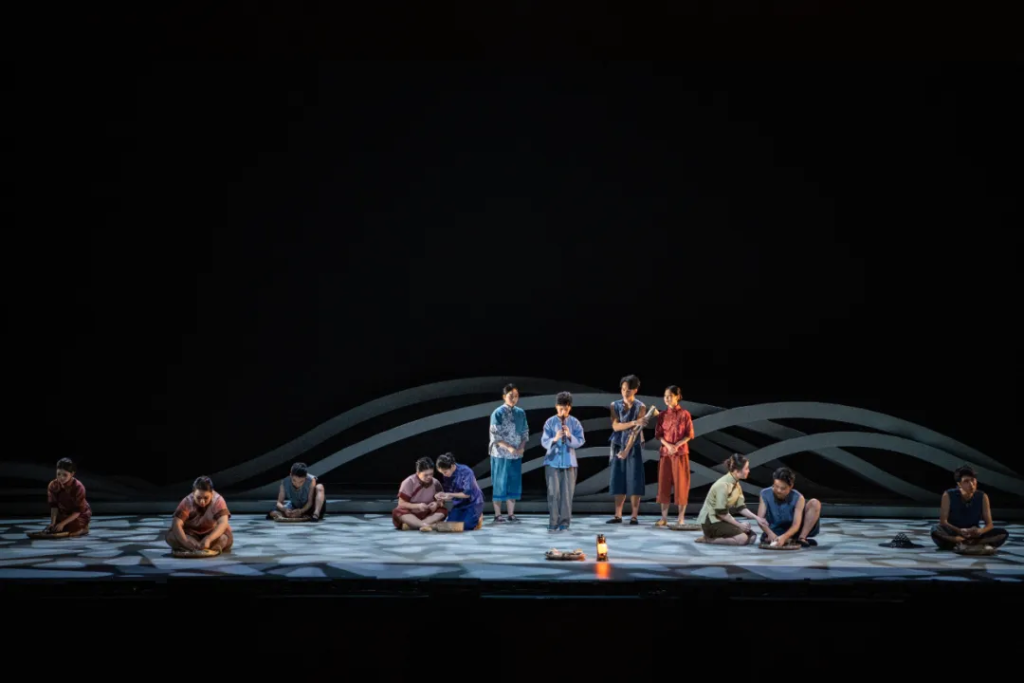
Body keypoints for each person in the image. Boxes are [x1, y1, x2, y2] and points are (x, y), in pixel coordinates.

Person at [930, 465, 1009, 551]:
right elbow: (943, 521)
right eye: (966, 481)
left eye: (973, 480)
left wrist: (980, 531)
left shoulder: (982, 496)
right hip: (954, 532)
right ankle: (962, 542)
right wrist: (959, 531)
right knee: (935, 530)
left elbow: (989, 525)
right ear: (959, 484)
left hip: (974, 534)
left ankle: (970, 543)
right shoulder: (948, 495)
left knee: (1003, 533)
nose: (971, 484)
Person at [695, 454, 769, 545]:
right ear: (737, 471)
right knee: (742, 539)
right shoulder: (723, 485)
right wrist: (739, 525)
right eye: (746, 468)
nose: (748, 471)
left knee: (752, 537)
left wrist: (757, 518)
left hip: (722, 520)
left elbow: (741, 507)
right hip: (711, 522)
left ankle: (724, 536)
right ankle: (707, 539)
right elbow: (721, 513)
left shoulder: (736, 484)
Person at [608, 374, 650, 525]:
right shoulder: (614, 405)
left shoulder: (641, 407)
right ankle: (618, 515)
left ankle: (634, 516)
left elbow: (636, 431)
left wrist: (626, 450)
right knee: (618, 478)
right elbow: (615, 426)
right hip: (617, 444)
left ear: (635, 390)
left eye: (629, 390)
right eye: (623, 389)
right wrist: (634, 422)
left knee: (634, 479)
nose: (625, 392)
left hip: (634, 445)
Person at [541, 391, 586, 531]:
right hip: (552, 462)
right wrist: (555, 439)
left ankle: (564, 523)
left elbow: (581, 440)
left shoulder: (574, 422)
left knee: (567, 495)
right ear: (556, 407)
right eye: (560, 409)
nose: (563, 412)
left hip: (569, 463)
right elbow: (544, 441)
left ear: (569, 408)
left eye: (565, 409)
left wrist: (569, 435)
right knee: (553, 494)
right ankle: (553, 522)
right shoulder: (550, 422)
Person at [489, 383, 530, 523]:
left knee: (513, 482)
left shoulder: (520, 412)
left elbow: (525, 432)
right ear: (504, 397)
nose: (514, 399)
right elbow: (495, 435)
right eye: (511, 396)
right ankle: (498, 514)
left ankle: (511, 514)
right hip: (500, 454)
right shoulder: (498, 413)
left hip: (516, 454)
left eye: (516, 396)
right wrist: (509, 447)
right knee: (499, 483)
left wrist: (521, 447)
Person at [654, 385, 694, 527]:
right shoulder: (662, 415)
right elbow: (659, 435)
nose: (667, 398)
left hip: (680, 453)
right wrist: (668, 446)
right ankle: (663, 518)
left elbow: (689, 434)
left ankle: (680, 518)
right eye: (665, 396)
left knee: (681, 485)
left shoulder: (685, 414)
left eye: (670, 396)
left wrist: (676, 446)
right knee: (664, 485)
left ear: (677, 397)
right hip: (666, 454)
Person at [756, 467, 822, 547]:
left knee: (815, 503)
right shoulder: (765, 494)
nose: (779, 490)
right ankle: (788, 540)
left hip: (793, 531)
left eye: (783, 488)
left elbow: (796, 525)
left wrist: (784, 537)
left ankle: (801, 538)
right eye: (776, 486)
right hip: (774, 531)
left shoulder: (798, 497)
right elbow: (760, 519)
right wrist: (770, 534)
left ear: (791, 486)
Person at [166, 476, 233, 552]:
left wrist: (209, 538)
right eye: (198, 498)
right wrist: (185, 541)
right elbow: (177, 524)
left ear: (211, 493)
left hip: (212, 533)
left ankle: (208, 547)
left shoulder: (218, 500)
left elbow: (223, 523)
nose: (202, 502)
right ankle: (194, 546)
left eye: (206, 498)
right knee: (171, 537)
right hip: (190, 534)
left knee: (224, 538)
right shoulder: (187, 501)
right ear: (193, 494)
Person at [392, 457, 449, 530]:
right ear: (418, 473)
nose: (429, 477)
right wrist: (417, 506)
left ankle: (416, 525)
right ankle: (426, 525)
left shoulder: (436, 483)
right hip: (411, 514)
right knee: (398, 511)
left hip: (427, 514)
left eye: (431, 474)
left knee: (442, 511)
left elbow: (441, 501)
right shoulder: (409, 482)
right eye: (426, 475)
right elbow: (401, 503)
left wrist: (436, 504)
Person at [433, 453, 485, 532]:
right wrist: (442, 496)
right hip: (459, 503)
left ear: (452, 466)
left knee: (466, 526)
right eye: (442, 473)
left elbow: (467, 494)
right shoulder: (447, 475)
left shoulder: (466, 471)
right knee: (449, 525)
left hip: (473, 503)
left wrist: (449, 494)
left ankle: (478, 518)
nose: (444, 475)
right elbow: (450, 493)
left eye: (445, 472)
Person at [45, 457, 92, 536]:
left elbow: (78, 511)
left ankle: (83, 528)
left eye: (65, 475)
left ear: (72, 474)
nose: (61, 478)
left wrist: (62, 524)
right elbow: (54, 506)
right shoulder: (53, 485)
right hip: (63, 512)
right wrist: (53, 523)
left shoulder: (78, 487)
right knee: (54, 528)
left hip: (79, 514)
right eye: (58, 474)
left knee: (71, 529)